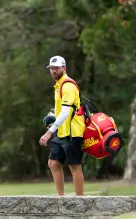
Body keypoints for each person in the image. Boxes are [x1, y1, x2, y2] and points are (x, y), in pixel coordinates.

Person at [38, 55, 86, 196]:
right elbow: (61, 110)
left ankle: (80, 200)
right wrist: (52, 114)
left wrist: (48, 133)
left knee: (74, 165)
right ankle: (60, 198)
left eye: (57, 68)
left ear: (64, 68)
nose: (53, 71)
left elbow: (65, 112)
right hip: (61, 131)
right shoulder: (58, 86)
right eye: (52, 68)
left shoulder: (68, 85)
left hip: (72, 132)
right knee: (53, 163)